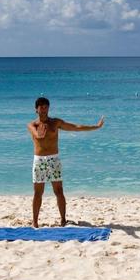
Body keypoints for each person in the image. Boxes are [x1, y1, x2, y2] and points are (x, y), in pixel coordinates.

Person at [27, 97, 104, 227]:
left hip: (54, 159)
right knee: (38, 192)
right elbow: (36, 134)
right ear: (36, 109)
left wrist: (95, 127)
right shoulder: (32, 124)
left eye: (46, 107)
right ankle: (35, 222)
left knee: (59, 191)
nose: (44, 109)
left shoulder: (55, 122)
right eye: (41, 107)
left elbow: (75, 127)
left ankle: (63, 220)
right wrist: (39, 134)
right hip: (39, 160)